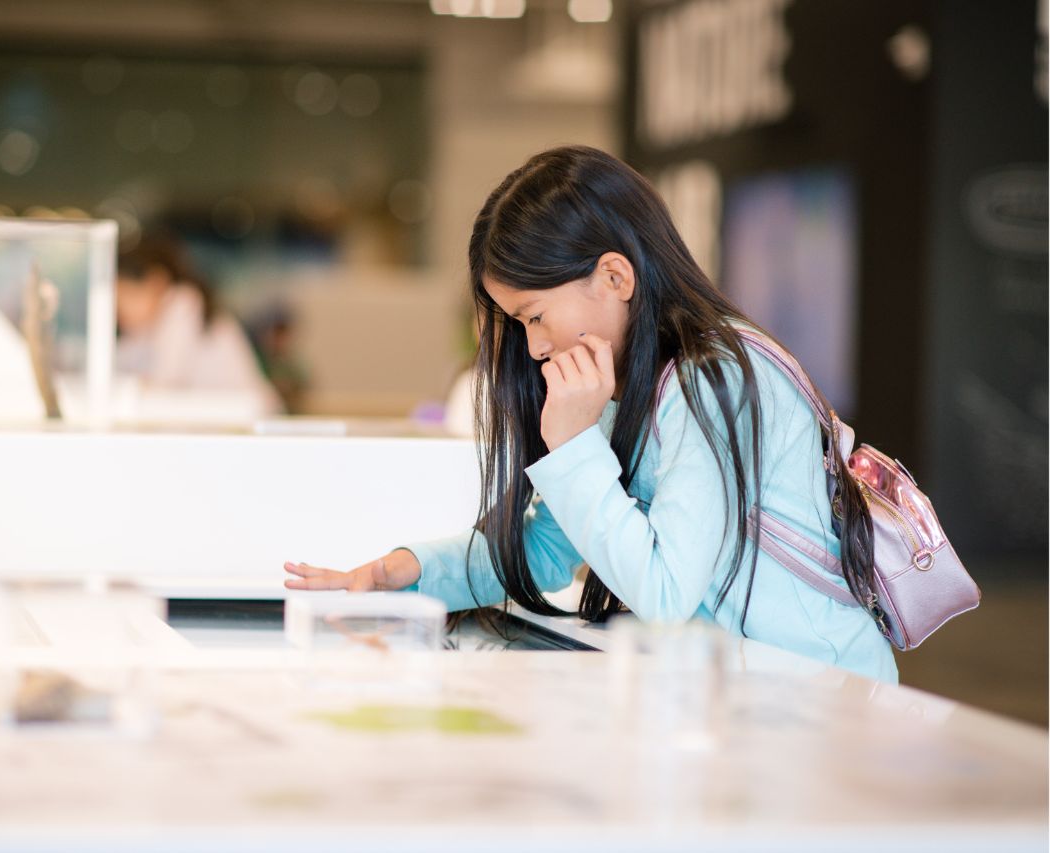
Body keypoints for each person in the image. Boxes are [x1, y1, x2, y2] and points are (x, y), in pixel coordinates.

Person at [283, 146, 895, 683]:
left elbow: (665, 592)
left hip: (821, 696)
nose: (534, 346)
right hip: (747, 691)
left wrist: (572, 446)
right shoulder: (626, 387)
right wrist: (403, 572)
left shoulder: (715, 378)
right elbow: (544, 550)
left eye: (535, 316)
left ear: (614, 275)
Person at [115, 237, 282, 415]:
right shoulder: (146, 328)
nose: (119, 309)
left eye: (124, 296)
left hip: (251, 420)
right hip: (228, 420)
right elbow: (118, 364)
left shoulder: (183, 303)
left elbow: (165, 383)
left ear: (156, 282)